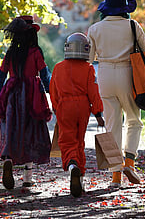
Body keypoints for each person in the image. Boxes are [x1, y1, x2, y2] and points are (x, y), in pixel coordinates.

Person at [87, 0, 145, 188]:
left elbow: (89, 60)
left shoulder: (95, 29)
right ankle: (129, 163)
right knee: (133, 120)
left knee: (113, 125)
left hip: (104, 75)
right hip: (127, 74)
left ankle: (115, 178)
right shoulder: (132, 26)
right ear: (124, 7)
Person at [0, 15, 52, 189]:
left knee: (11, 128)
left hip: (12, 93)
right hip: (31, 96)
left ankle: (8, 160)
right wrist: (49, 90)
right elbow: (44, 73)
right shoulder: (35, 52)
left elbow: (0, 76)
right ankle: (27, 177)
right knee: (30, 132)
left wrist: (1, 94)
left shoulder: (10, 53)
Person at [49, 32, 105, 197]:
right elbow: (93, 91)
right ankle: (80, 179)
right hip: (82, 107)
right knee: (79, 141)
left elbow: (53, 90)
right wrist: (98, 113)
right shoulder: (88, 69)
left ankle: (72, 166)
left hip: (65, 106)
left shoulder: (58, 68)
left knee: (67, 140)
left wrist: (55, 107)